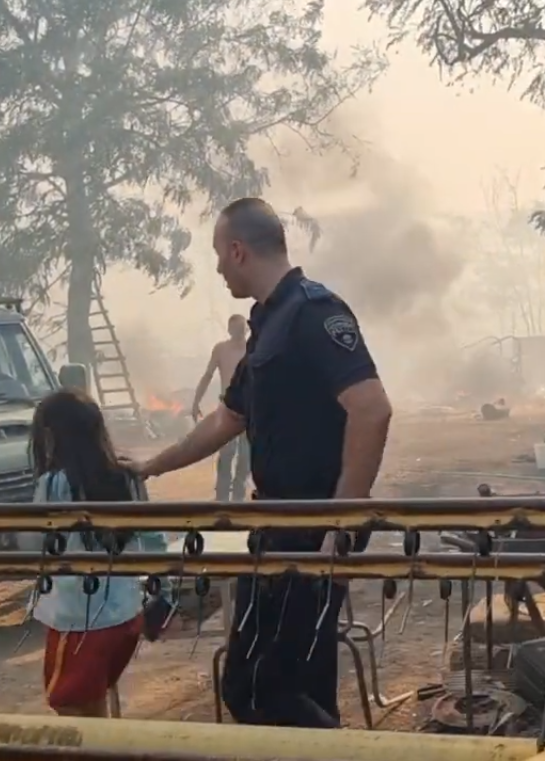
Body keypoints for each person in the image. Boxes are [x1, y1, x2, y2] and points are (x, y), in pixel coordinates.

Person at [126, 197, 393, 728]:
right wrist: (151, 466)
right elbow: (227, 419)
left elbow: (371, 408)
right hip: (272, 526)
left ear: (238, 250)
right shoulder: (267, 325)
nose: (219, 267)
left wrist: (340, 523)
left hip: (314, 529)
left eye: (219, 256)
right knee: (260, 684)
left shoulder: (314, 312)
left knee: (273, 685)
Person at [29, 387, 172, 717]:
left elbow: (36, 544)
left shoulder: (53, 485)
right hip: (125, 613)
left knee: (74, 711)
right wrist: (162, 592)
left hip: (80, 620)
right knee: (95, 706)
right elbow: (154, 540)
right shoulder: (126, 476)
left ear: (50, 436)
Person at [192, 314, 250, 501]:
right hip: (227, 408)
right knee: (226, 455)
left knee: (245, 458)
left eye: (241, 329)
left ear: (246, 330)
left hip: (250, 410)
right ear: (229, 330)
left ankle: (238, 500)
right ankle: (222, 500)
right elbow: (208, 375)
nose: (238, 333)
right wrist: (195, 402)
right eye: (235, 329)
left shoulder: (253, 348)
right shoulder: (221, 349)